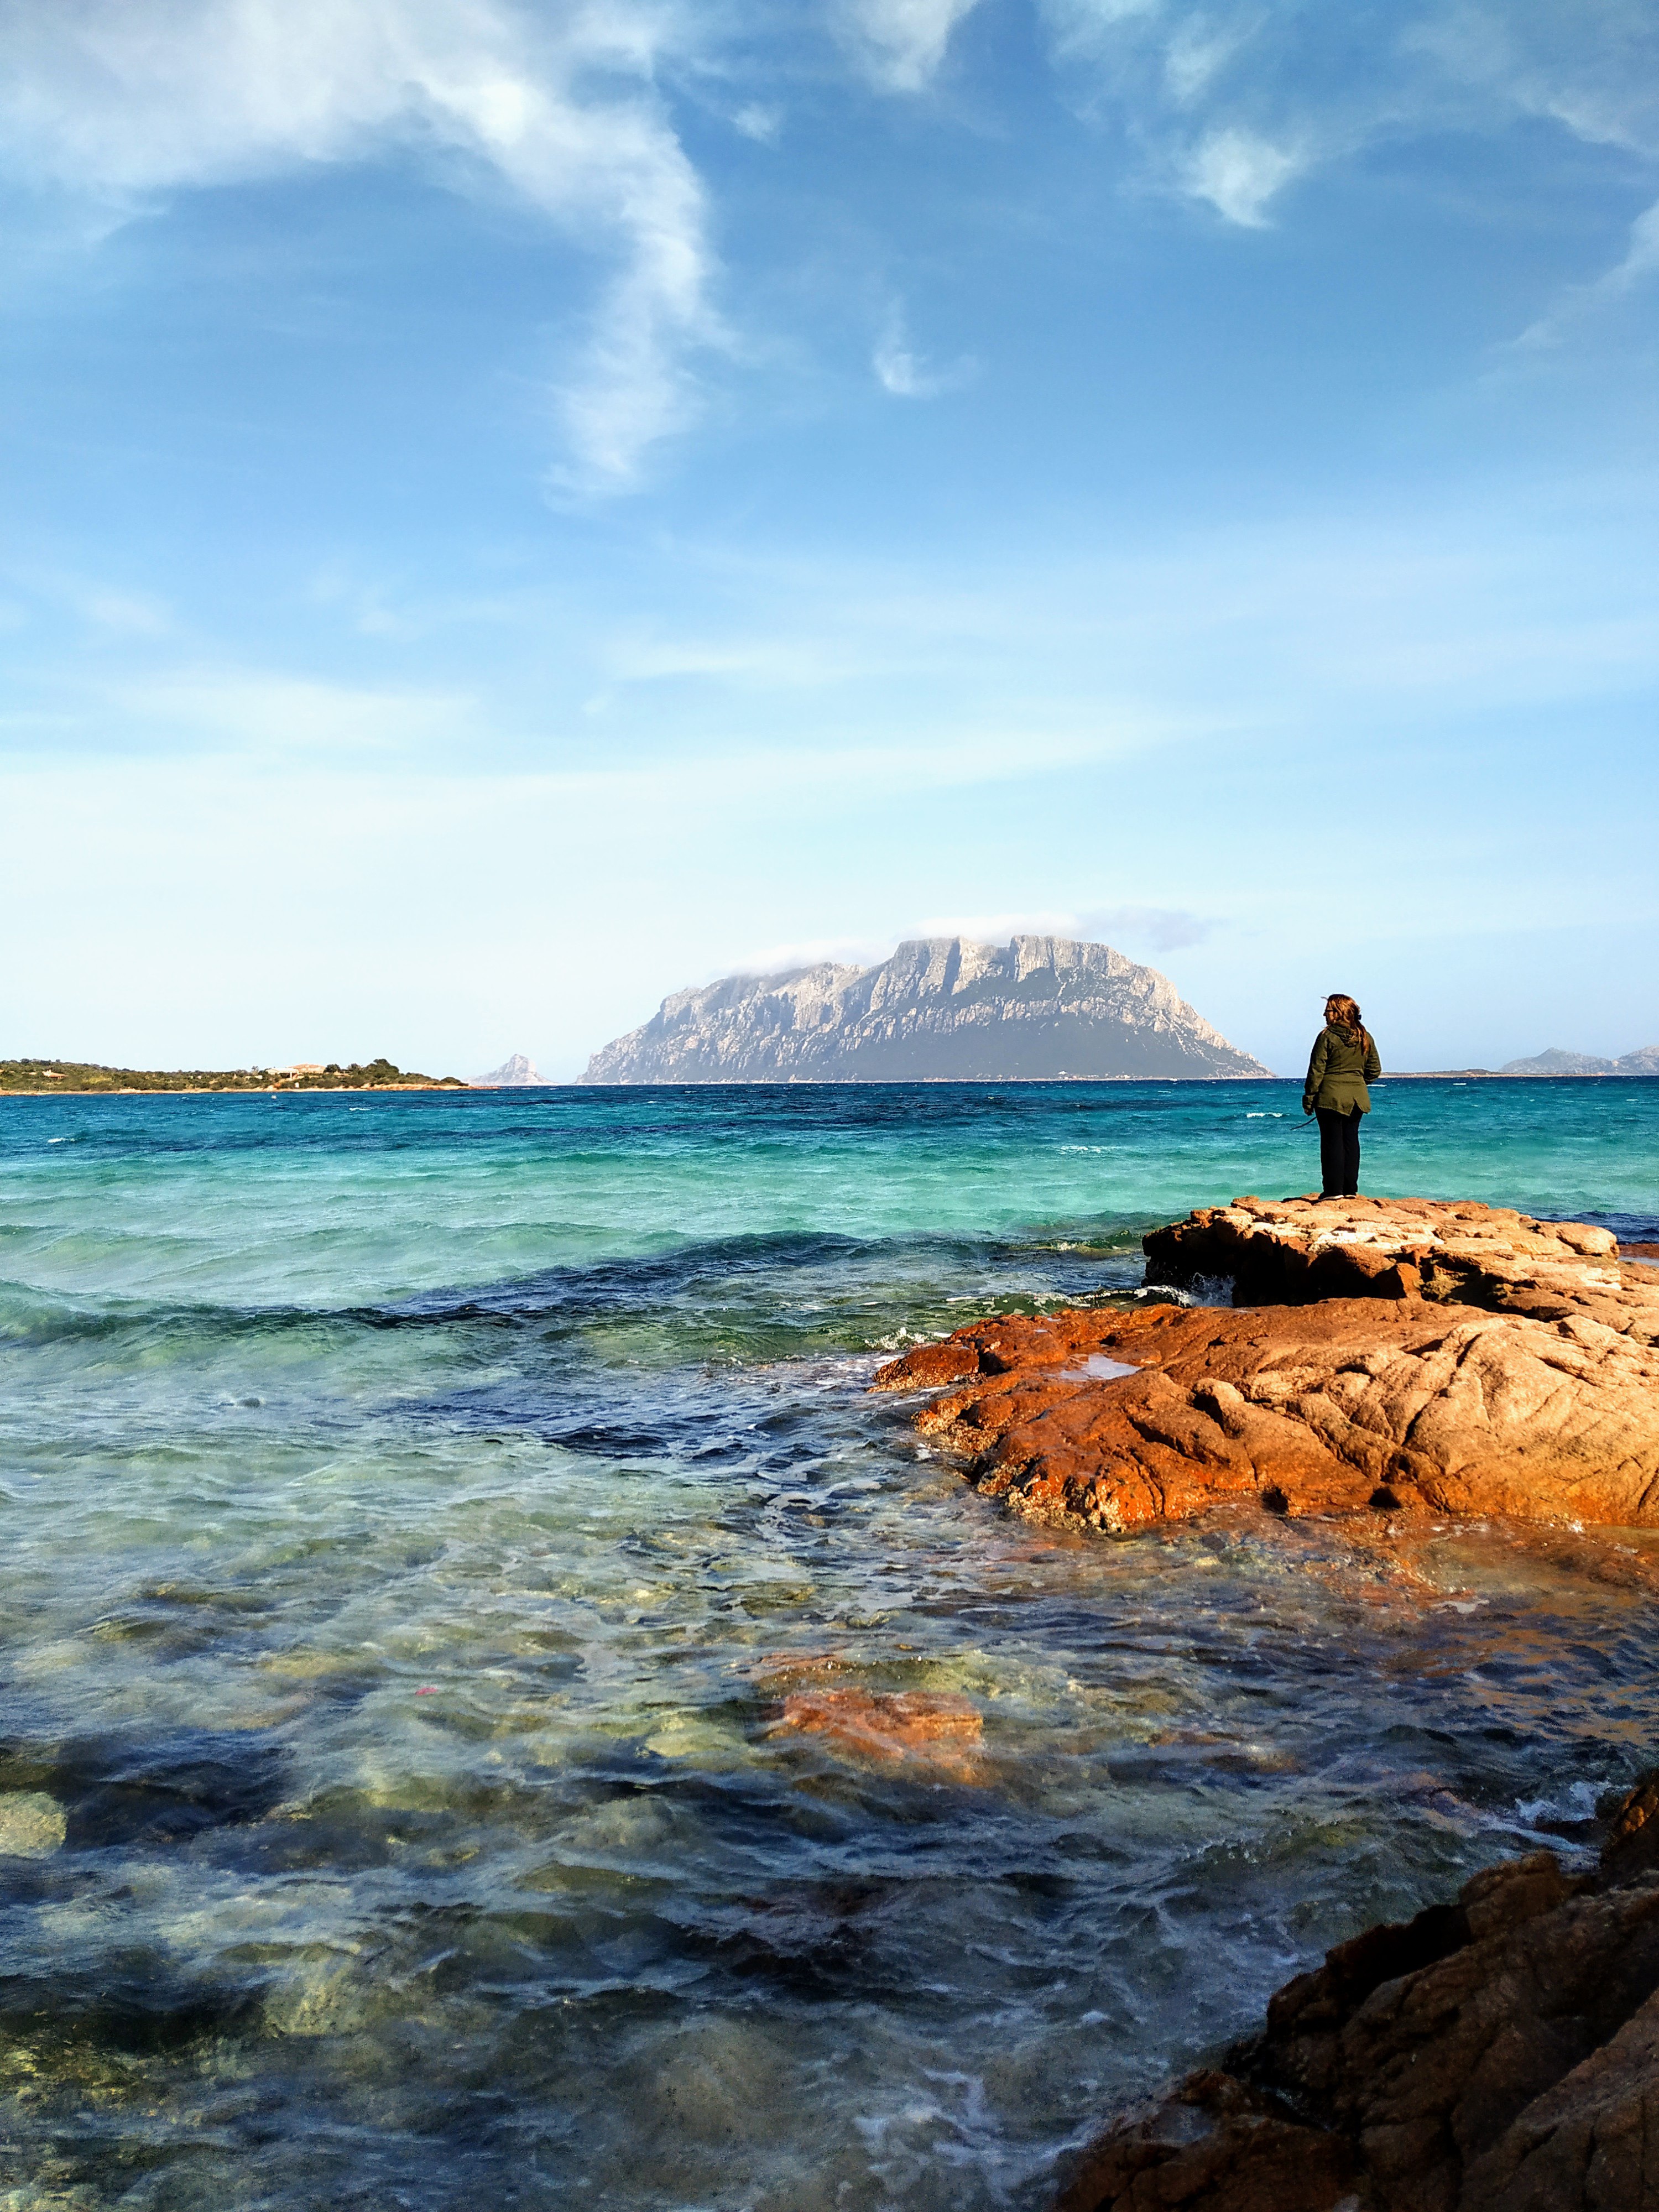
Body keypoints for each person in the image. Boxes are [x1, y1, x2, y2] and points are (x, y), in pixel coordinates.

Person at [1302, 994, 1381, 1198]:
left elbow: (1316, 1071)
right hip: (1358, 1098)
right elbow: (1374, 1070)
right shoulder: (1365, 1037)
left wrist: (1309, 1098)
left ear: (1338, 1013)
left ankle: (1333, 1191)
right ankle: (1350, 1190)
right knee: (1350, 1142)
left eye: (1328, 1010)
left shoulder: (1327, 1036)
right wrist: (1356, 1083)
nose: (1324, 1014)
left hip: (1330, 1098)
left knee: (1332, 1144)